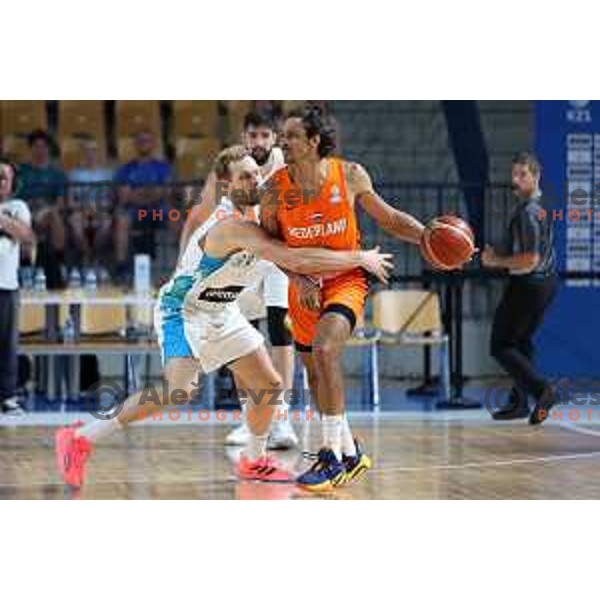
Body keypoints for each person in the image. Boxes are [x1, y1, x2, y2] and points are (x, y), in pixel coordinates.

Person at [54, 145, 392, 490]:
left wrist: (297, 277)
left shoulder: (264, 209)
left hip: (222, 309)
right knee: (179, 390)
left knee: (269, 386)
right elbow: (289, 255)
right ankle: (80, 438)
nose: (255, 179)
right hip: (182, 310)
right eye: (245, 176)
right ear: (226, 187)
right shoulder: (229, 226)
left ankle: (253, 458)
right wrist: (358, 258)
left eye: (256, 173)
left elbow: (283, 246)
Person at [260, 103, 427, 491]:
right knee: (315, 374)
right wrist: (295, 276)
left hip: (346, 280)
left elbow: (388, 218)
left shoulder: (349, 175)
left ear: (314, 141)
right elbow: (268, 245)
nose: (283, 141)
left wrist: (427, 236)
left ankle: (331, 456)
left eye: (292, 136)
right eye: (283, 135)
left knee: (324, 350)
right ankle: (351, 450)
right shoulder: (274, 191)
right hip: (301, 286)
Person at [181, 110, 297, 450]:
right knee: (239, 333)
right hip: (242, 256)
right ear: (245, 137)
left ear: (274, 138)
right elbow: (198, 213)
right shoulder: (233, 166)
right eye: (253, 136)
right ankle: (251, 417)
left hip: (276, 253)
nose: (259, 142)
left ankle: (282, 418)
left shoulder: (287, 162)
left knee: (280, 330)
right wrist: (181, 264)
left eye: (265, 135)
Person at [481, 152, 559, 425]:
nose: (515, 179)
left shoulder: (528, 212)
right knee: (521, 342)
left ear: (536, 176)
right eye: (514, 174)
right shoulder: (540, 206)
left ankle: (542, 390)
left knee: (501, 345)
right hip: (546, 284)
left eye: (522, 174)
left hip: (530, 283)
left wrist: (495, 261)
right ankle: (519, 402)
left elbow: (530, 259)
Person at [0, 158, 35, 415]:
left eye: (3, 177)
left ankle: (8, 398)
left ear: (11, 184)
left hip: (6, 286)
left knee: (6, 345)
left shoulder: (17, 206)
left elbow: (26, 237)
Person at [114, 130, 173, 274]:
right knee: (121, 220)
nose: (144, 144)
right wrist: (151, 192)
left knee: (175, 216)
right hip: (135, 212)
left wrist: (138, 192)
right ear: (135, 144)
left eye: (147, 141)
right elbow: (124, 197)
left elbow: (166, 192)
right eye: (141, 141)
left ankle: (181, 265)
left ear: (153, 144)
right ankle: (121, 267)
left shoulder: (162, 167)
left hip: (157, 211)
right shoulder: (126, 169)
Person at [68, 136, 129, 273]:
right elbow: (71, 201)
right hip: (81, 211)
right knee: (74, 222)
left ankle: (93, 255)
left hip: (102, 211)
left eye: (94, 150)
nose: (91, 154)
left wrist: (99, 209)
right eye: (87, 151)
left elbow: (113, 200)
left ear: (99, 153)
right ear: (83, 153)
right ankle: (89, 256)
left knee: (107, 222)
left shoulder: (108, 175)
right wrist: (83, 209)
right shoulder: (74, 174)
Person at [19, 130, 68, 288]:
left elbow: (61, 202)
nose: (40, 150)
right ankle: (24, 268)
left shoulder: (57, 174)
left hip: (47, 211)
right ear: (30, 149)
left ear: (49, 149)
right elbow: (13, 198)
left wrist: (46, 208)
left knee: (54, 215)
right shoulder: (21, 172)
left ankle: (59, 263)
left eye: (44, 147)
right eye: (36, 146)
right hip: (24, 210)